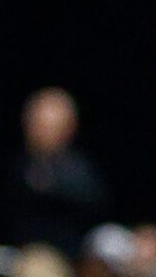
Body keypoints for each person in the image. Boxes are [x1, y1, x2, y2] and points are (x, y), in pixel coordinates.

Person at [8, 87, 107, 263]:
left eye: (47, 126)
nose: (38, 131)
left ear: (68, 128)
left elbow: (93, 203)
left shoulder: (79, 171)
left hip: (70, 263)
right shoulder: (19, 165)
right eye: (35, 123)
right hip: (22, 259)